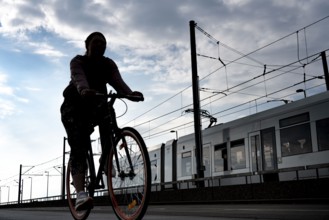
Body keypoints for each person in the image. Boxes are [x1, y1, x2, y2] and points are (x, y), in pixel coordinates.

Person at [60, 32, 143, 211]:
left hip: (95, 104)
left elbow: (117, 81)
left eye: (103, 43)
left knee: (109, 112)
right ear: (87, 45)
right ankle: (81, 194)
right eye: (96, 42)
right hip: (74, 107)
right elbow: (78, 77)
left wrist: (130, 93)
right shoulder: (78, 61)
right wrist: (83, 89)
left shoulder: (108, 64)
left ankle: (106, 161)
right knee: (79, 146)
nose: (100, 45)